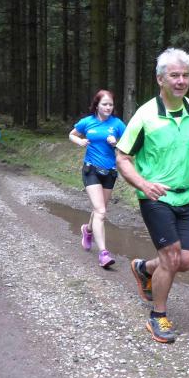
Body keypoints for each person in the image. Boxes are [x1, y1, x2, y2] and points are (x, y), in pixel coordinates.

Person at [116, 48, 189, 343]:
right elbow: (122, 157)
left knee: (186, 260)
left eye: (185, 75)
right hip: (155, 197)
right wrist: (143, 185)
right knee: (171, 256)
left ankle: (144, 269)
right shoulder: (145, 115)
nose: (181, 81)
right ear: (160, 79)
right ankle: (158, 316)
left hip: (184, 197)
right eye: (174, 75)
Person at [68, 90, 126, 268]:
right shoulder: (87, 122)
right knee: (100, 211)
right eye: (104, 104)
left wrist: (116, 143)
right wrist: (79, 141)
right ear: (97, 105)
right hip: (91, 169)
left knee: (99, 209)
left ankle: (88, 230)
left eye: (110, 104)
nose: (108, 107)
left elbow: (128, 146)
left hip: (110, 172)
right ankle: (103, 254)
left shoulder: (117, 124)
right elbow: (72, 134)